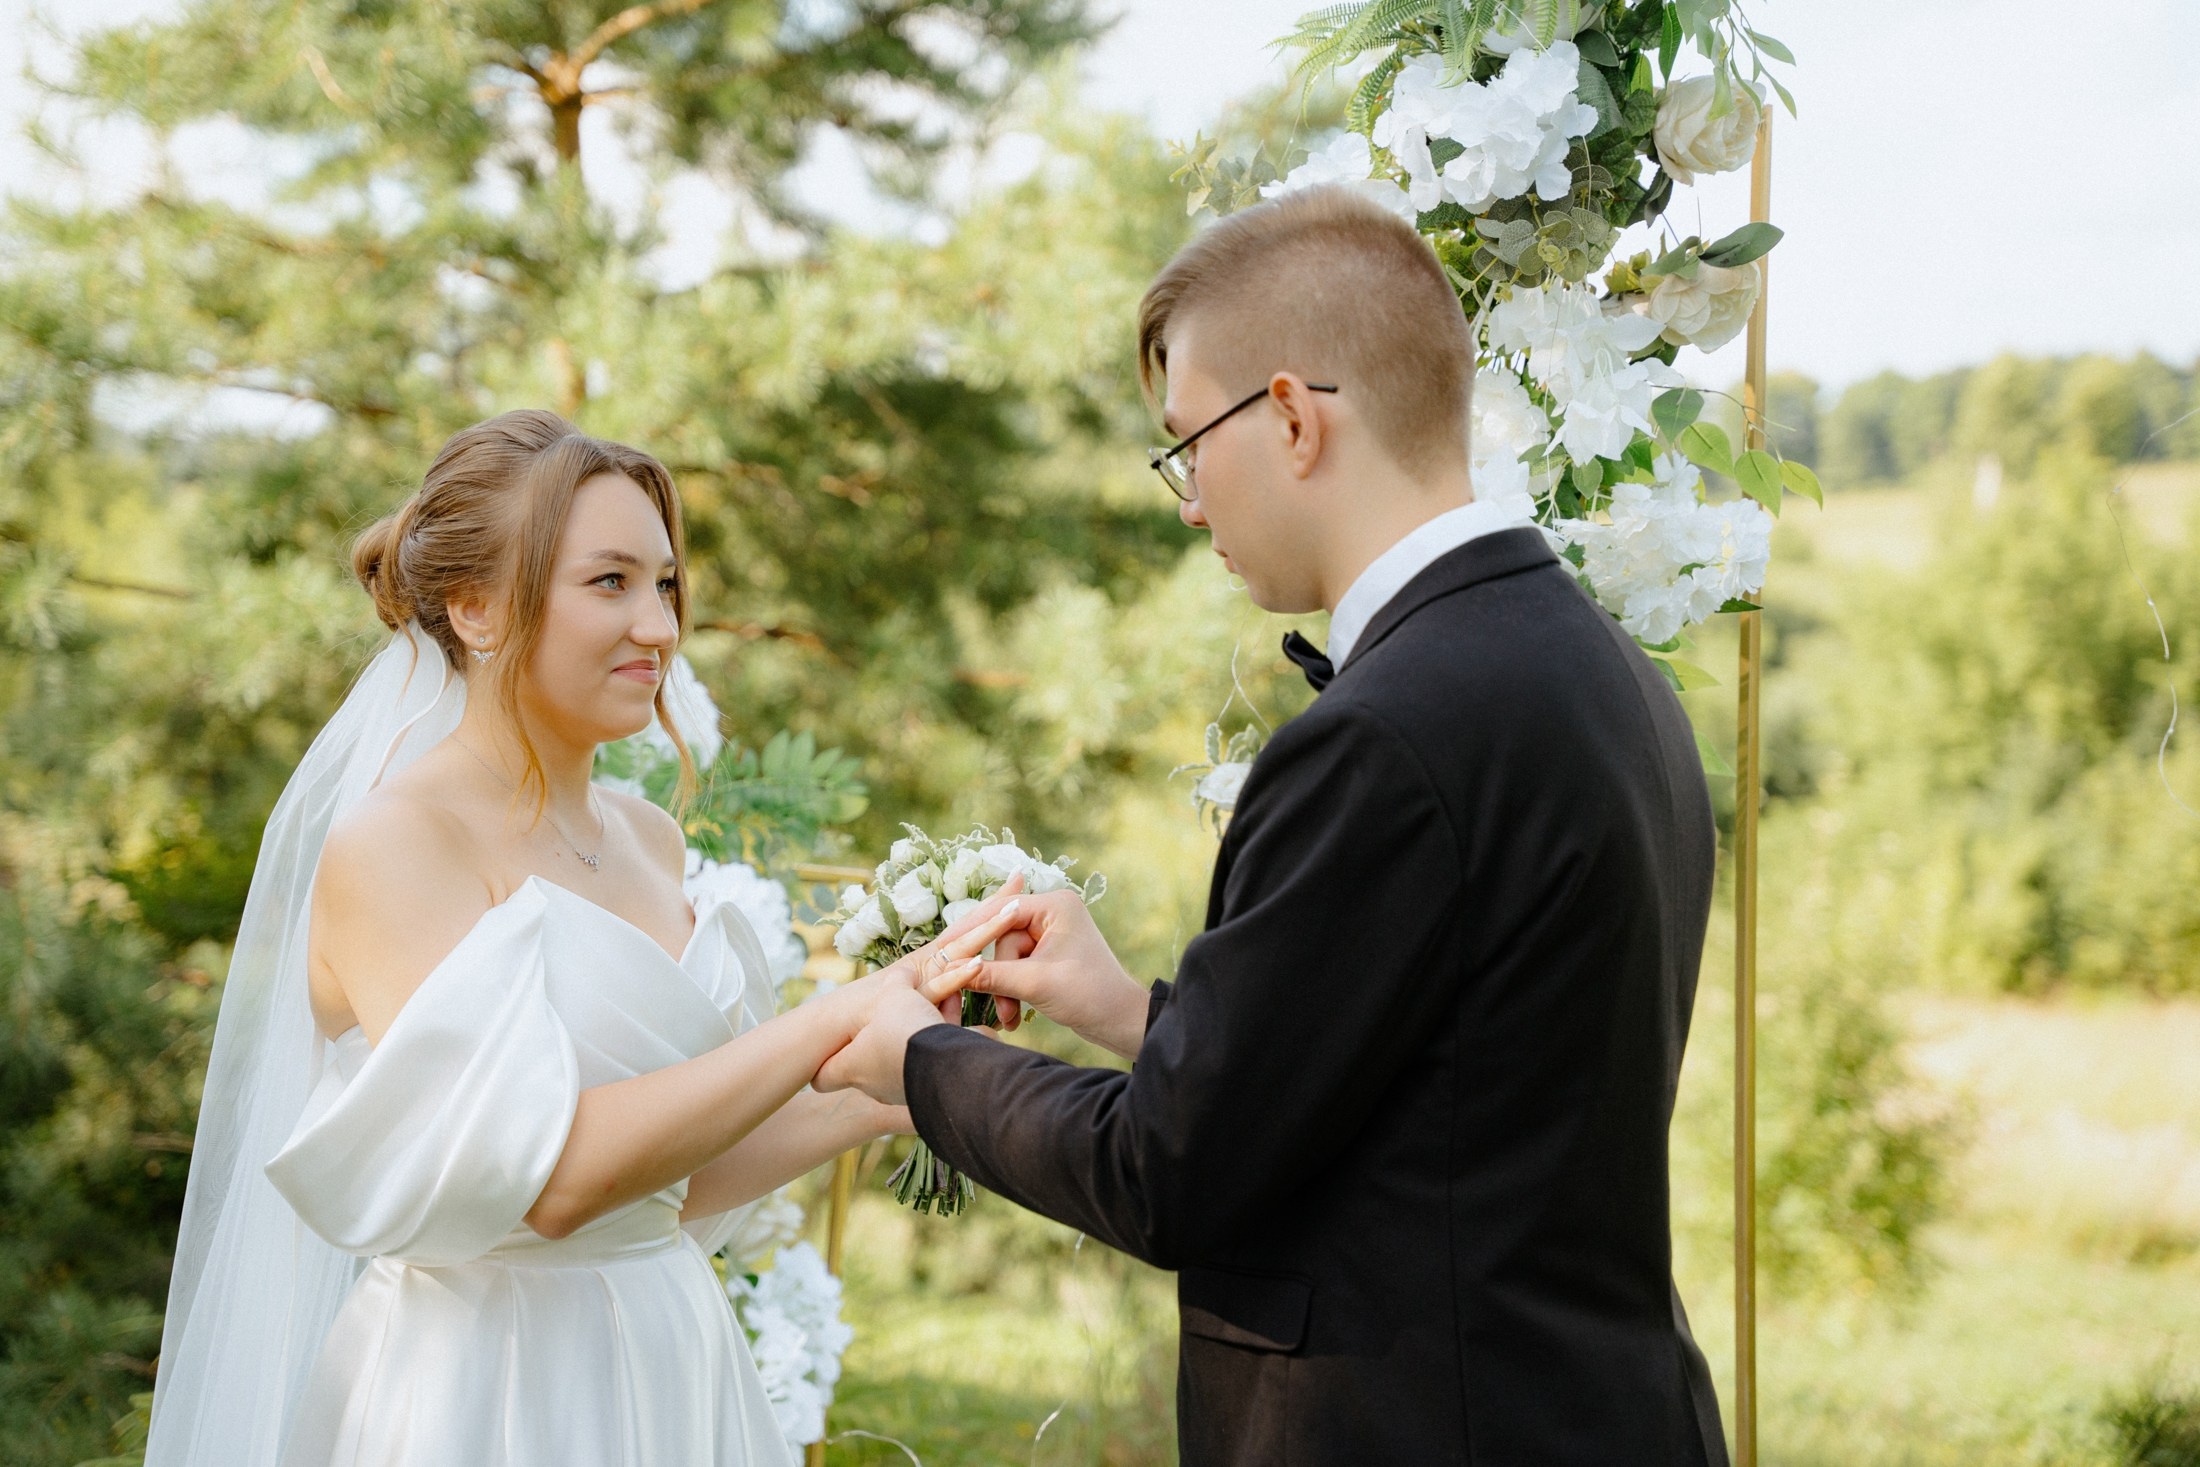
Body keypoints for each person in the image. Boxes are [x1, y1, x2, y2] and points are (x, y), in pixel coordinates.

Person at [816, 186, 1731, 1465]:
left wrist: (919, 1062)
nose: (1188, 500)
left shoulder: (1385, 732)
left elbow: (1172, 1175)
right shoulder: (1606, 676)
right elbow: (1442, 1087)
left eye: (1189, 443)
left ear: (1292, 417)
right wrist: (1132, 1013)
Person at [144, 409, 1021, 1467]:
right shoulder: (395, 844)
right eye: (609, 583)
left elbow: (672, 1183)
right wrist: (837, 1014)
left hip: (672, 1361)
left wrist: (907, 1083)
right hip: (489, 1387)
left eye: (664, 584)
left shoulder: (648, 840)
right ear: (474, 608)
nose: (656, 626)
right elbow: (552, 1184)